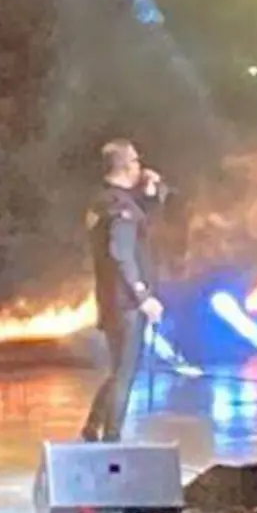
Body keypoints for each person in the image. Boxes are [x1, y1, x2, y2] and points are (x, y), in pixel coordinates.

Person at [81, 139, 166, 443]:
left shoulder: (102, 201)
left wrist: (150, 196)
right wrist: (143, 298)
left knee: (119, 368)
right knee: (125, 373)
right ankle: (112, 439)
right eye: (136, 161)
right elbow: (121, 253)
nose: (141, 166)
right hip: (127, 303)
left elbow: (133, 224)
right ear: (127, 165)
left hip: (111, 299)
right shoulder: (121, 208)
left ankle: (93, 425)